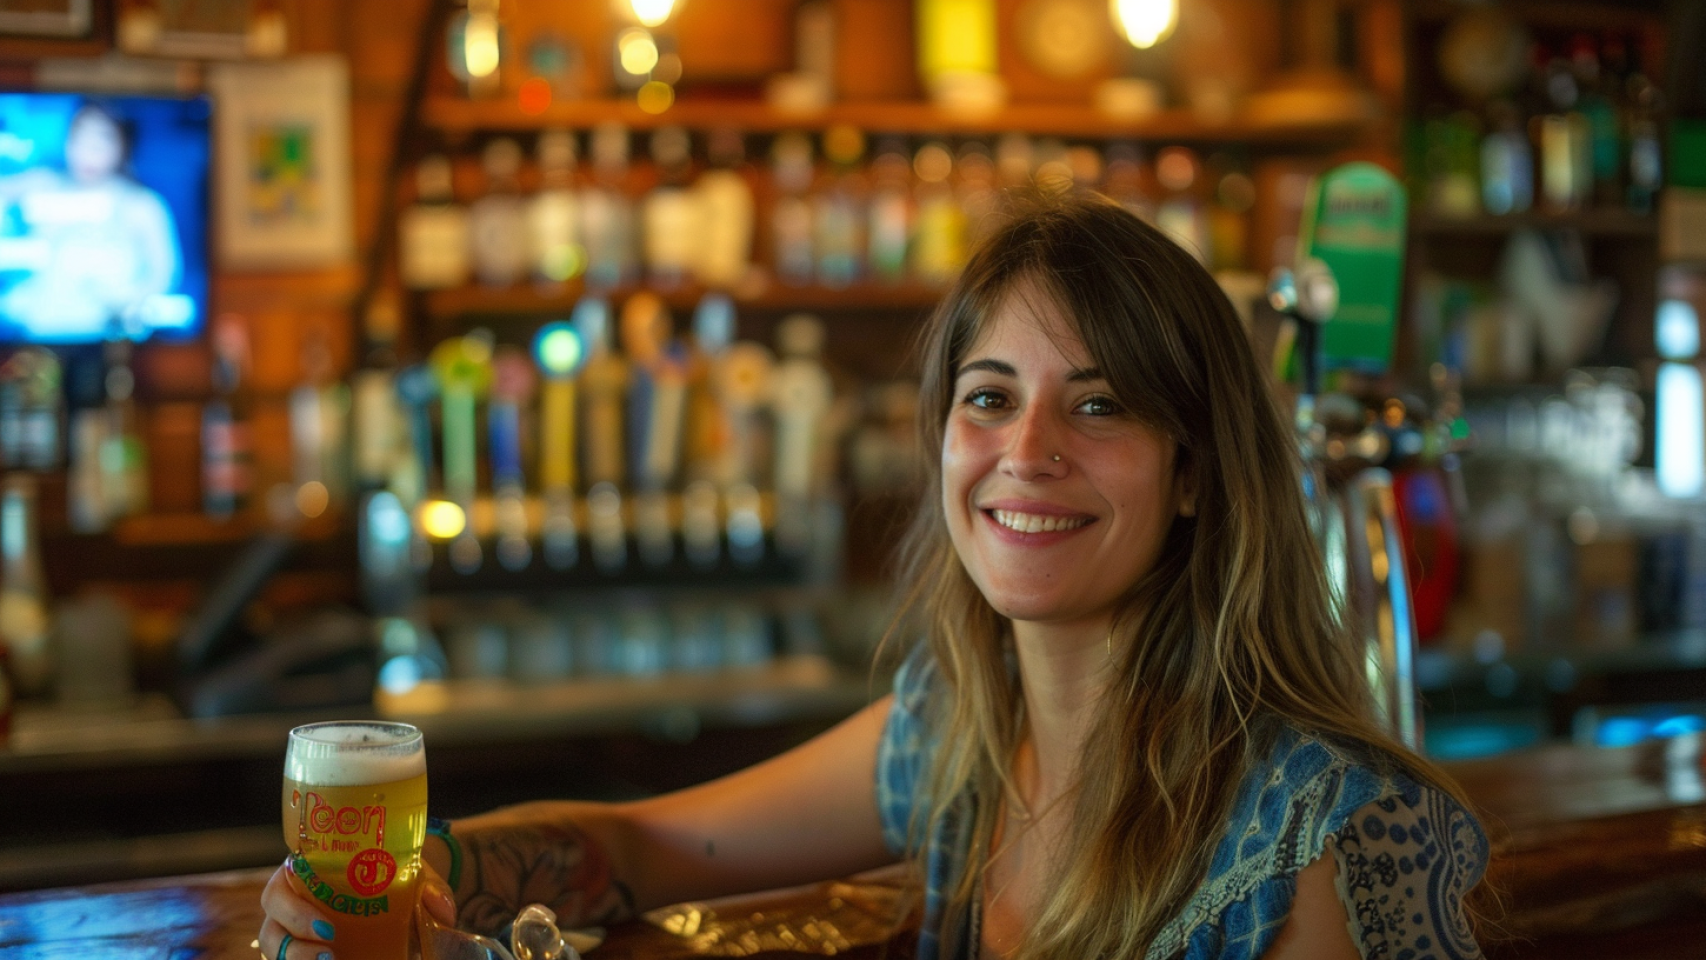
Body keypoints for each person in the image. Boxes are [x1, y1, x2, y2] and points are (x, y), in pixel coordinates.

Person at [259, 194, 1488, 960]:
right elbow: (642, 841)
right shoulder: (956, 739)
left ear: (1193, 472)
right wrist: (425, 881)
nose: (1026, 452)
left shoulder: (1328, 833)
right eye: (988, 399)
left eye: (1098, 404)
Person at [0, 101, 181, 341]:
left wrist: (127, 302)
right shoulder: (44, 184)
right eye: (80, 139)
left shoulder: (142, 205)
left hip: (110, 336)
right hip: (38, 334)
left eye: (101, 141)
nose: (88, 152)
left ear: (122, 145)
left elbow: (164, 275)